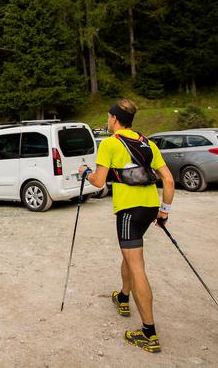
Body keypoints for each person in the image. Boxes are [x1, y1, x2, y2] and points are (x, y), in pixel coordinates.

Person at [78, 98, 175, 353]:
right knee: (130, 255)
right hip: (149, 207)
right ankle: (123, 297)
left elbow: (98, 181)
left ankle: (149, 333)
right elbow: (168, 180)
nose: (107, 121)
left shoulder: (110, 143)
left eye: (109, 117)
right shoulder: (148, 143)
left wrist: (84, 172)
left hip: (129, 212)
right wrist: (164, 211)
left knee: (137, 265)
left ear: (114, 119)